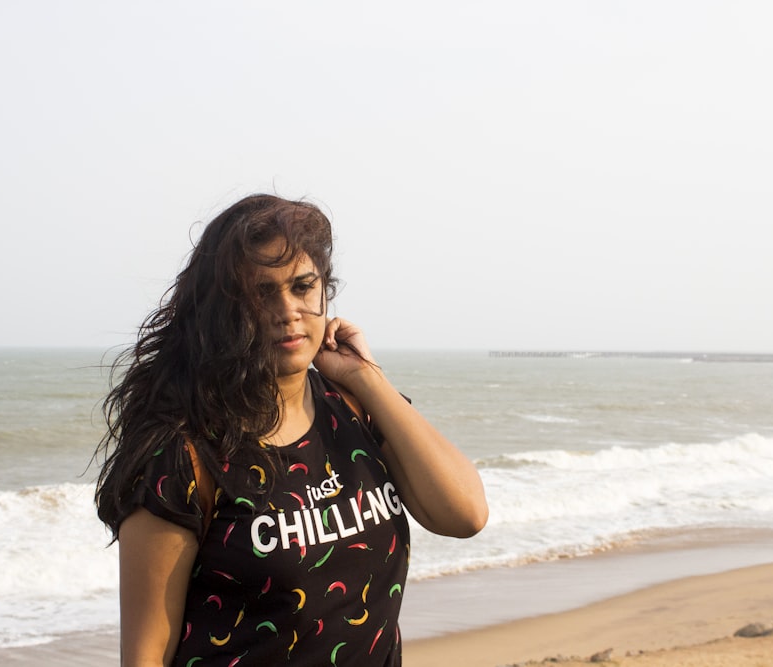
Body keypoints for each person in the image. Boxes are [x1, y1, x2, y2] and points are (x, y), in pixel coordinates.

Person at [95, 194, 488, 666]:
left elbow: (464, 514)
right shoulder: (184, 455)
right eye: (261, 295)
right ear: (223, 311)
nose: (287, 310)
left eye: (303, 287)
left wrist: (367, 377)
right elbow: (145, 657)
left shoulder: (353, 406)